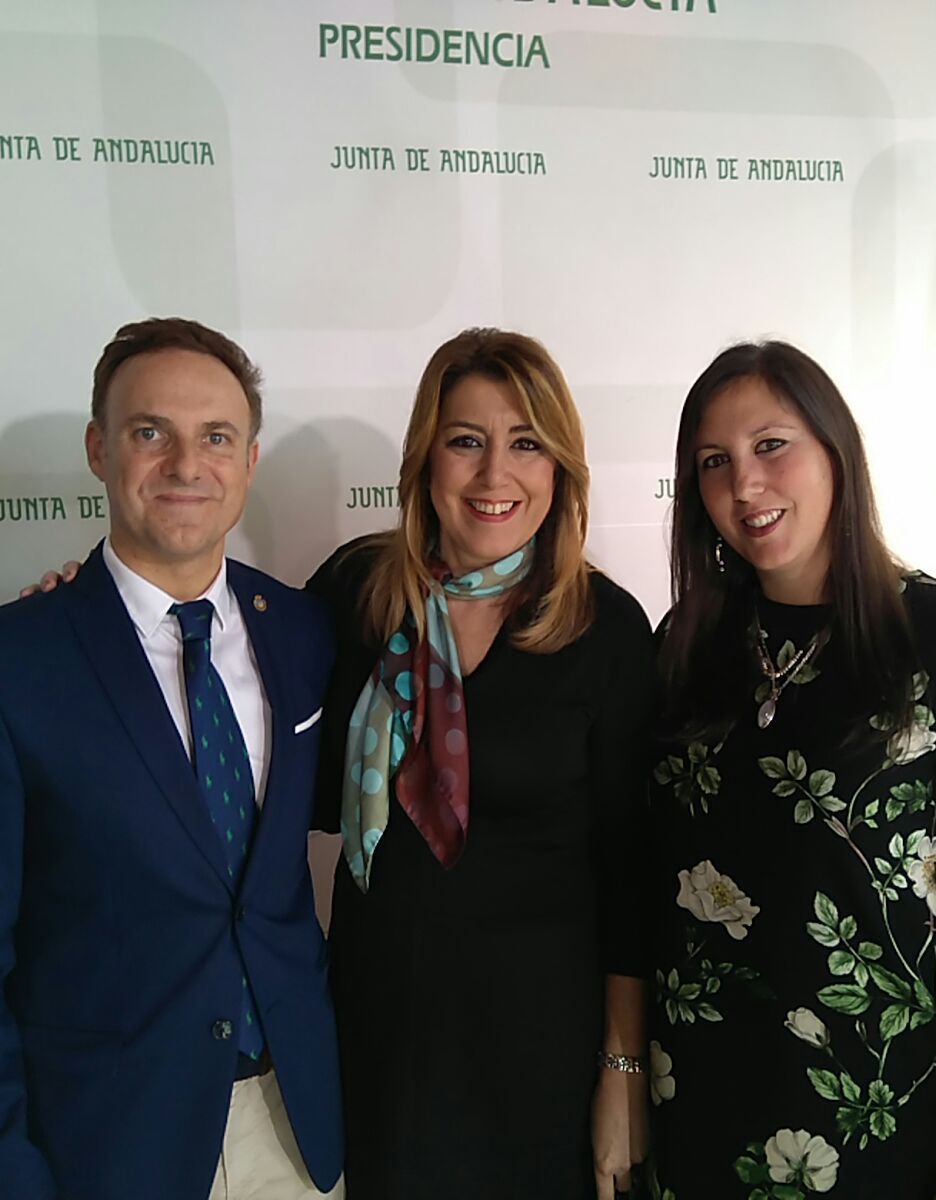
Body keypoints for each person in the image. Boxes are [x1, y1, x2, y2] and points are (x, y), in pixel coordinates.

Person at [0, 318, 344, 1200]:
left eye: (216, 437)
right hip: (106, 1147)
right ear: (101, 450)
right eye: (152, 433)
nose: (187, 464)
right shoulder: (2, 668)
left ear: (250, 461)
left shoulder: (303, 630)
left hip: (295, 1131)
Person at [646, 342, 936, 1200]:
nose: (744, 485)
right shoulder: (688, 647)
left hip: (888, 1135)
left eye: (771, 445)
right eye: (714, 462)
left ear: (836, 452)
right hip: (700, 1121)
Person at [307, 328, 655, 1199]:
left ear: (560, 470)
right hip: (377, 1039)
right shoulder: (352, 594)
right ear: (426, 459)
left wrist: (623, 1069)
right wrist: (91, 604)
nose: (495, 474)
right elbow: (232, 690)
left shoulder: (607, 631)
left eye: (526, 443)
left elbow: (629, 874)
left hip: (539, 1055)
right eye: (467, 441)